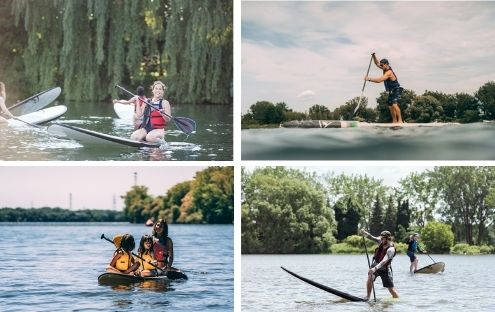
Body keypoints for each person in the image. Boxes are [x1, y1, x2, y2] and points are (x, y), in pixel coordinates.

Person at [364, 53, 403, 123]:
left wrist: (369, 79)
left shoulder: (389, 72)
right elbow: (376, 63)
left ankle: (400, 121)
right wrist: (374, 56)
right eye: (381, 65)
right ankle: (394, 121)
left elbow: (379, 80)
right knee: (390, 106)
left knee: (394, 104)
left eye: (382, 65)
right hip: (391, 90)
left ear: (386, 64)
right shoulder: (384, 68)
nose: (381, 66)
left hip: (396, 89)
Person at [361, 229, 399, 300]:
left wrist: (374, 268)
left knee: (391, 289)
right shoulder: (380, 241)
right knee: (370, 278)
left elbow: (384, 261)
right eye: (380, 238)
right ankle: (368, 297)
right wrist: (364, 233)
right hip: (375, 265)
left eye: (382, 238)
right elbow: (371, 237)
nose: (380, 239)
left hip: (385, 269)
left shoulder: (391, 249)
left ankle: (397, 299)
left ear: (388, 238)